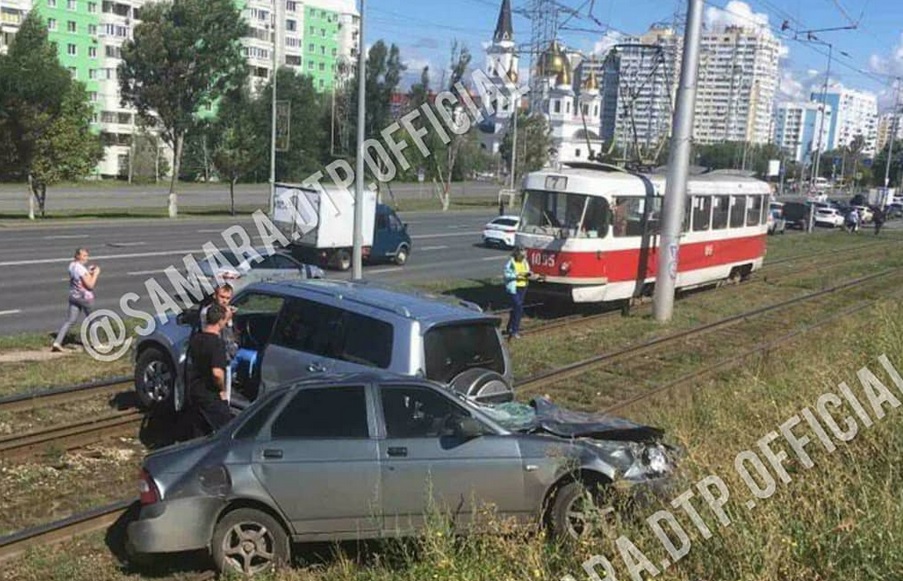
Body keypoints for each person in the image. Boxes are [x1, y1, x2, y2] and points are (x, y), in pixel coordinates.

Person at [186, 303, 233, 435]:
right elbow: (217, 373)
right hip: (210, 395)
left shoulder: (196, 339)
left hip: (195, 391)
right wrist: (222, 389)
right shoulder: (217, 344)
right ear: (220, 321)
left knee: (199, 431)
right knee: (225, 429)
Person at [52, 248, 100, 352]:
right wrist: (95, 274)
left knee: (70, 320)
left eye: (87, 255)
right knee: (93, 319)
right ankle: (96, 344)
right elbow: (90, 285)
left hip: (74, 296)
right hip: (84, 298)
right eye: (84, 256)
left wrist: (88, 272)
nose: (86, 258)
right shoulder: (81, 269)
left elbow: (79, 279)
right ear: (77, 256)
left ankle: (57, 342)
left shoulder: (71, 266)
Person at [503, 246, 531, 339]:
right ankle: (515, 330)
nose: (523, 256)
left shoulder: (524, 262)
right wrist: (517, 275)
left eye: (524, 255)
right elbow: (506, 274)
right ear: (517, 254)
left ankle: (509, 327)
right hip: (514, 288)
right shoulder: (511, 263)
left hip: (523, 287)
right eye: (522, 254)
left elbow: (527, 271)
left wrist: (529, 274)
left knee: (516, 308)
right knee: (518, 306)